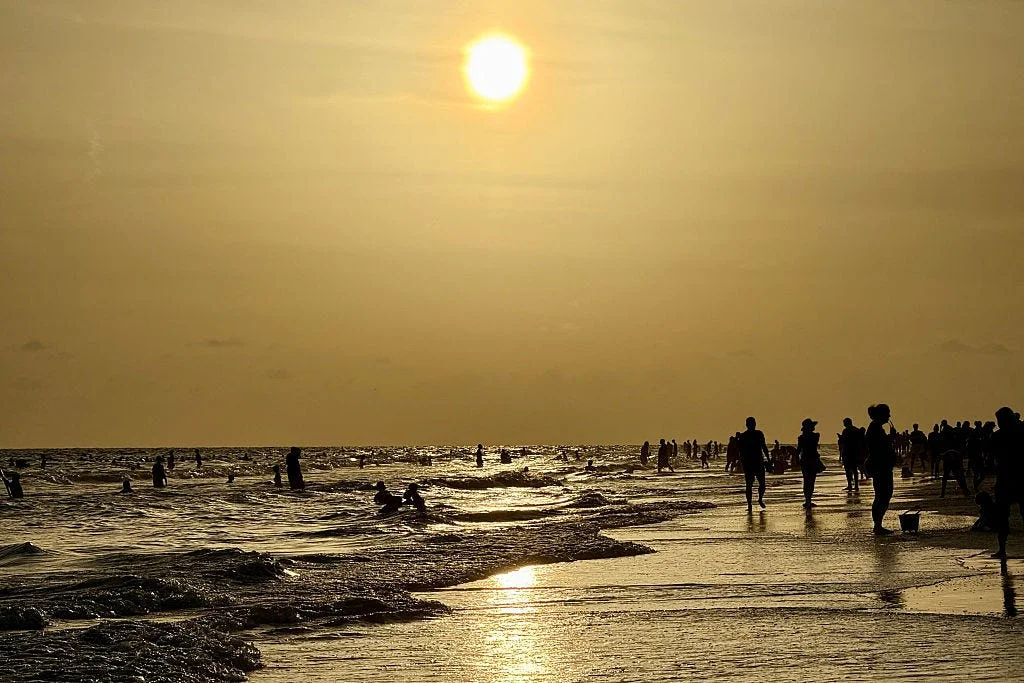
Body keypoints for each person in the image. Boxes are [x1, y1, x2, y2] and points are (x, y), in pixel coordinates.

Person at [991, 407, 1024, 559]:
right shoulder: (1019, 431)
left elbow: (993, 457)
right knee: (1003, 516)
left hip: (1007, 480)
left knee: (1003, 516)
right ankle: (1002, 549)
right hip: (1011, 479)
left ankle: (1002, 549)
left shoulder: (997, 436)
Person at [864, 404, 897, 534]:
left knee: (883, 494)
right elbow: (879, 446)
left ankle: (878, 525)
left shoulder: (876, 427)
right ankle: (877, 526)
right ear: (880, 415)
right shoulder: (875, 428)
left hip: (880, 464)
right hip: (879, 465)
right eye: (887, 413)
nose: (889, 416)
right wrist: (891, 438)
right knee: (883, 495)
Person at [738, 417, 770, 512]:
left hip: (758, 462)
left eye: (754, 423)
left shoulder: (759, 434)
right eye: (751, 423)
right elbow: (741, 451)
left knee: (762, 484)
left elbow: (764, 446)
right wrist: (741, 462)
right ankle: (749, 504)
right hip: (749, 464)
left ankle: (760, 499)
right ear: (747, 424)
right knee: (749, 485)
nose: (753, 424)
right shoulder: (743, 436)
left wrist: (768, 458)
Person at [796, 418, 822, 509]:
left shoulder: (801, 438)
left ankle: (807, 500)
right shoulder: (816, 436)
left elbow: (798, 450)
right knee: (811, 481)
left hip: (805, 460)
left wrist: (796, 460)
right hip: (813, 459)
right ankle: (808, 500)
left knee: (806, 480)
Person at [839, 418, 864, 492]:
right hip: (855, 452)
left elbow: (844, 441)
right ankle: (856, 486)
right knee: (854, 469)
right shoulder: (856, 430)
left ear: (847, 423)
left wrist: (841, 438)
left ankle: (850, 485)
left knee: (848, 470)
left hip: (848, 452)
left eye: (844, 423)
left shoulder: (846, 431)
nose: (843, 424)